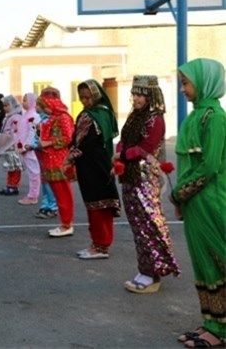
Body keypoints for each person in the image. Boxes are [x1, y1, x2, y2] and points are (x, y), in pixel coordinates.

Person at [172, 58, 226, 348]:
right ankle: (212, 322)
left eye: (186, 83)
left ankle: (221, 330)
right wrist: (182, 198)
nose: (183, 89)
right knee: (204, 264)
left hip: (212, 201)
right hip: (195, 202)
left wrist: (178, 194)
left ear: (205, 82)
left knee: (219, 261)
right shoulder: (195, 116)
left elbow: (209, 166)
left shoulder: (214, 117)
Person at [115, 76, 179, 292]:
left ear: (150, 96)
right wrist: (119, 152)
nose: (135, 98)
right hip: (130, 176)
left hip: (144, 179)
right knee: (137, 226)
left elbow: (146, 148)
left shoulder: (155, 119)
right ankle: (145, 270)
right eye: (134, 93)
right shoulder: (136, 116)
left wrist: (121, 154)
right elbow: (125, 139)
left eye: (140, 94)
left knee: (149, 224)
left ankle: (154, 273)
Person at [66, 80, 121, 259]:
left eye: (88, 97)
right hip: (100, 164)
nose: (85, 101)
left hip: (92, 166)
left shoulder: (91, 115)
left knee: (97, 206)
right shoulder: (104, 112)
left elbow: (82, 142)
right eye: (82, 97)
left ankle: (100, 246)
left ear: (96, 95)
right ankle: (98, 244)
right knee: (98, 205)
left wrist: (68, 160)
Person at [36, 90, 76, 237]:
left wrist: (48, 143)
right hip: (51, 160)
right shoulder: (53, 117)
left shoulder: (63, 117)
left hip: (59, 161)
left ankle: (67, 224)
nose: (43, 109)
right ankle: (64, 223)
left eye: (44, 106)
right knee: (58, 194)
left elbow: (68, 138)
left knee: (63, 194)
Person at [34, 87, 60, 219]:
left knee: (51, 182)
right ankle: (46, 205)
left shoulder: (57, 119)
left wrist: (44, 143)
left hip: (53, 156)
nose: (36, 107)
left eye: (39, 105)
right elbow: (37, 137)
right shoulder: (41, 120)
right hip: (42, 155)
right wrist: (32, 145)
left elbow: (63, 139)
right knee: (45, 182)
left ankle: (53, 207)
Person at [18, 93, 41, 205]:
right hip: (24, 148)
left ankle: (33, 196)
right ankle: (32, 194)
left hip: (30, 149)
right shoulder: (26, 114)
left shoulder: (34, 116)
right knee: (31, 172)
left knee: (34, 173)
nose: (23, 102)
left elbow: (33, 133)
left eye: (25, 100)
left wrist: (26, 146)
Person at [0, 95, 24, 196]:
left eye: (7, 105)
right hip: (8, 144)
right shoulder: (9, 116)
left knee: (15, 166)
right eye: (4, 106)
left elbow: (16, 131)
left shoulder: (16, 117)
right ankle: (9, 185)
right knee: (10, 166)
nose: (5, 108)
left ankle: (14, 186)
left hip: (14, 145)